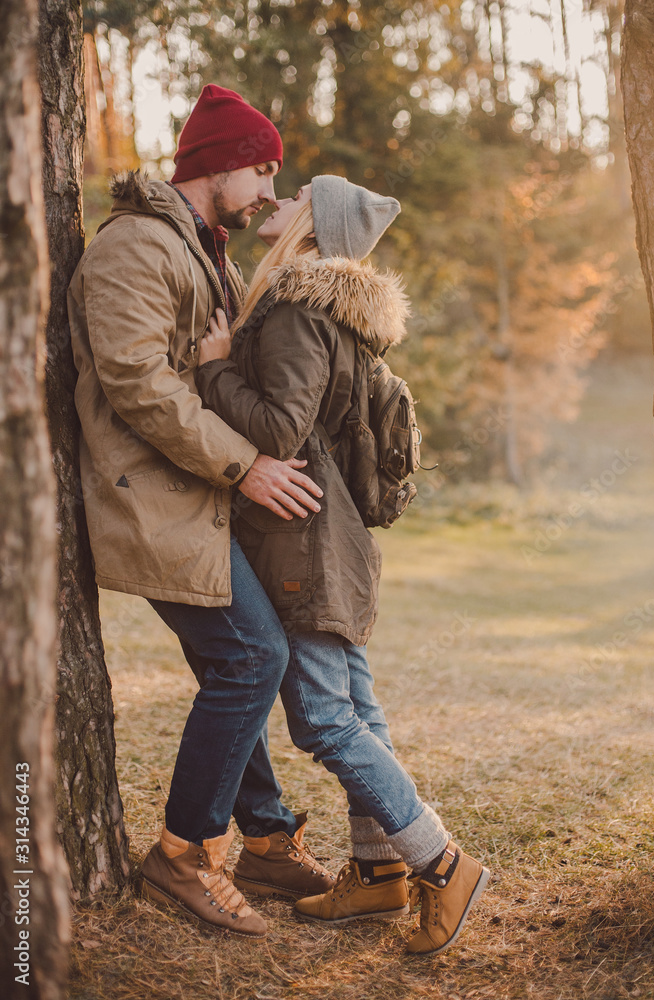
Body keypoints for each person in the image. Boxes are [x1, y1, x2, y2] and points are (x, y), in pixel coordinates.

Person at [68, 86, 338, 942]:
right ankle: (184, 855)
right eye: (262, 171)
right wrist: (246, 465)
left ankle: (265, 839)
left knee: (238, 661)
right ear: (221, 164)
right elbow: (137, 381)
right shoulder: (134, 245)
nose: (268, 192)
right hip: (155, 498)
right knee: (252, 658)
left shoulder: (198, 247)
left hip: (200, 498)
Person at [195, 176, 490, 956]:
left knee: (325, 720)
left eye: (298, 194)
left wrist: (216, 369)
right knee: (357, 710)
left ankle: (440, 863)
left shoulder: (294, 310)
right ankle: (376, 871)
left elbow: (280, 430)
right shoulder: (336, 315)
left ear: (315, 225)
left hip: (303, 545)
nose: (282, 197)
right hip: (336, 543)